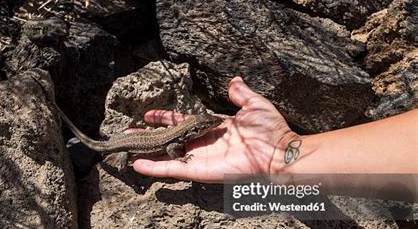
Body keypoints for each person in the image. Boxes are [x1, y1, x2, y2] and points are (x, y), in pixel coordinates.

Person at [133, 77, 418, 186]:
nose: (212, 126)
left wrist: (281, 152)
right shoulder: (182, 137)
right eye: (205, 125)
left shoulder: (186, 135)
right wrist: (279, 152)